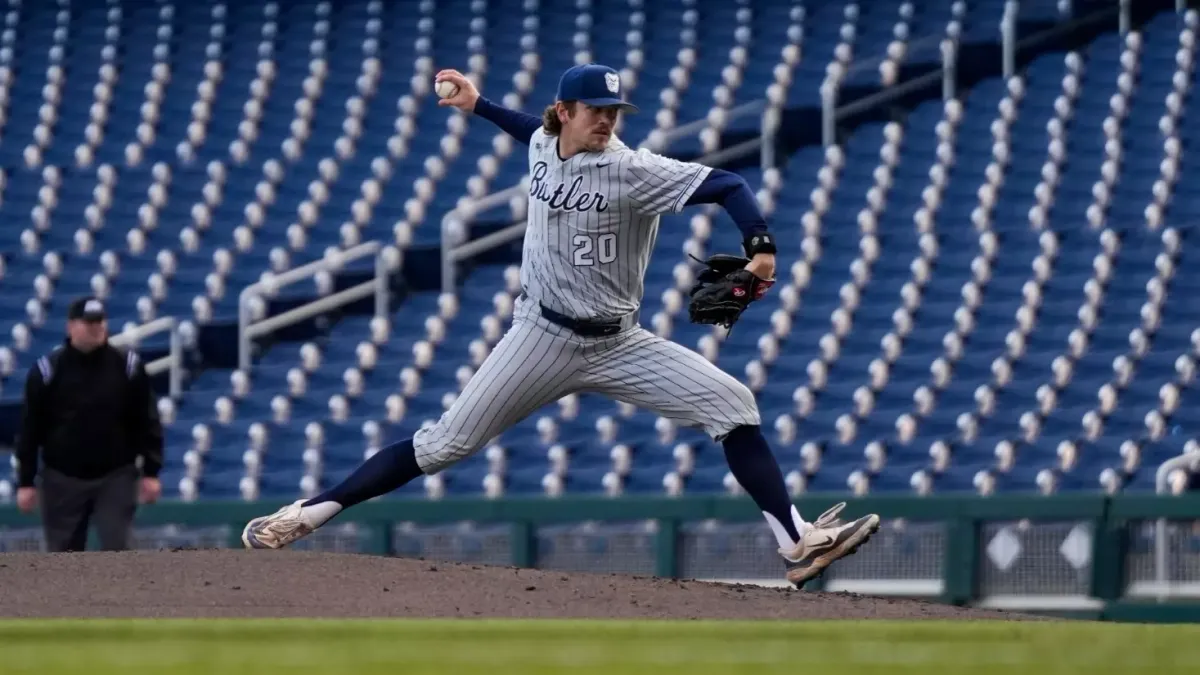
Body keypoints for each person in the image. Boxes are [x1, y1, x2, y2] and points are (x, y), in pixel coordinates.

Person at [241, 64, 879, 588]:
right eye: (593, 108)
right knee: (443, 446)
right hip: (540, 337)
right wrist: (477, 104)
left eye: (614, 110)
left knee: (733, 403)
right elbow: (531, 133)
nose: (606, 119)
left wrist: (760, 245)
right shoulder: (546, 143)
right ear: (564, 111)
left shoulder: (632, 169)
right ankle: (307, 514)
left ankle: (795, 543)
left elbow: (730, 183)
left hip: (620, 342)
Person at [15, 296, 164, 552]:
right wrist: (25, 481)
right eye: (89, 323)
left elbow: (147, 421)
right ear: (71, 326)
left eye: (100, 322)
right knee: (63, 555)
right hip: (62, 477)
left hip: (115, 475)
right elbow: (30, 429)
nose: (97, 328)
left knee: (117, 547)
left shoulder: (127, 367)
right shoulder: (47, 371)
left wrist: (151, 471)